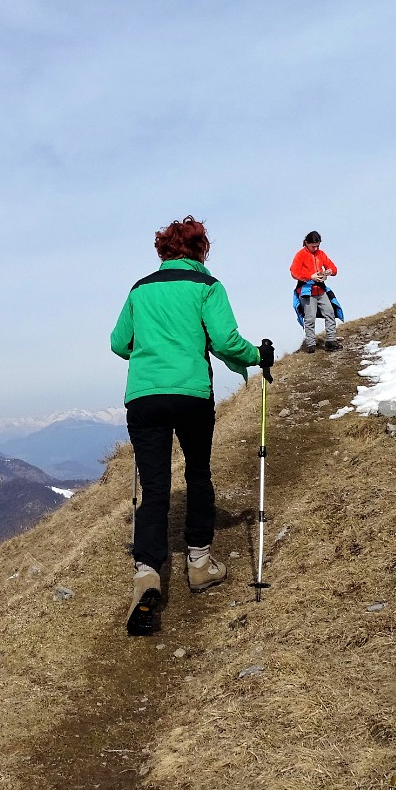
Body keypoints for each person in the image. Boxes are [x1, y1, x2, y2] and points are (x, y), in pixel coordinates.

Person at [109, 216, 273, 636]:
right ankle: (198, 563)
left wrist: (150, 351)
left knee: (155, 486)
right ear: (201, 250)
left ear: (163, 251)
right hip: (191, 395)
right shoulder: (207, 287)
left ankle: (147, 574)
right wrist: (259, 355)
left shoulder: (140, 290)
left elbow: (118, 343)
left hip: (144, 397)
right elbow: (224, 341)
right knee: (198, 474)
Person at [289, 231, 341, 352]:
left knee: (330, 312)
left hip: (321, 289)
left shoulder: (321, 254)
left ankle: (331, 340)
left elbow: (334, 268)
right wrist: (310, 276)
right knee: (310, 317)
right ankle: (311, 344)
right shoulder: (300, 255)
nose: (316, 248)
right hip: (306, 291)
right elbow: (294, 272)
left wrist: (329, 271)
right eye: (313, 246)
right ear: (306, 243)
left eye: (318, 245)